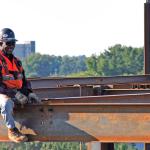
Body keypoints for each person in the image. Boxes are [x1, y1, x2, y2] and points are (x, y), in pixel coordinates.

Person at [0, 28, 41, 143]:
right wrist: (14, 93)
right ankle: (12, 130)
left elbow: (23, 80)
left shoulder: (17, 62)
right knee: (6, 103)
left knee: (34, 101)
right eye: (8, 43)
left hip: (15, 93)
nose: (11, 46)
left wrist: (29, 92)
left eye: (13, 43)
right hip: (2, 94)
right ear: (1, 43)